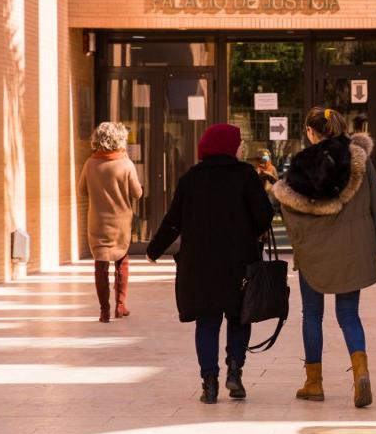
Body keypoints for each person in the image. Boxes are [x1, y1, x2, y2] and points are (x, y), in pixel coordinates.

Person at [146, 123, 274, 403]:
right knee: (239, 318)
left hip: (200, 267)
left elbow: (173, 221)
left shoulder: (191, 178)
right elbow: (264, 217)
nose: (241, 148)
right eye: (239, 143)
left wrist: (153, 250)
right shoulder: (245, 176)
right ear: (228, 146)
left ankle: (210, 382)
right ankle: (235, 372)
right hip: (239, 265)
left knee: (207, 322)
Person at [273, 108, 376, 408]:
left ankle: (314, 383)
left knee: (312, 315)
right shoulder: (360, 158)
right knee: (348, 314)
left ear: (311, 132)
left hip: (313, 254)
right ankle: (360, 372)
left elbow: (289, 207)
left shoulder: (302, 167)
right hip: (352, 249)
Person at [77, 121, 143, 323]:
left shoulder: (90, 164)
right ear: (119, 139)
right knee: (121, 260)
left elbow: (81, 190)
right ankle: (120, 306)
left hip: (97, 221)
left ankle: (104, 311)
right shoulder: (126, 164)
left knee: (100, 265)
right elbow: (137, 193)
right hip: (121, 221)